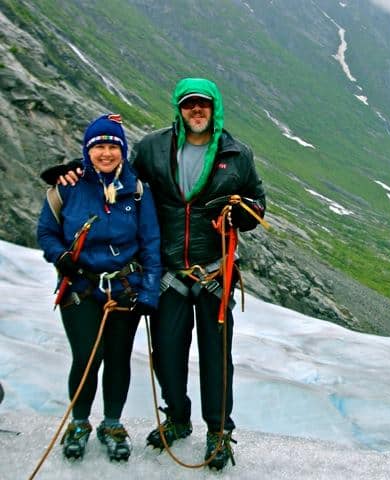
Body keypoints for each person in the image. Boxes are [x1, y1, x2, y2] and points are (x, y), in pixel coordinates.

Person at [44, 78, 266, 470]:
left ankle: (218, 433)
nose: (196, 111)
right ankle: (177, 419)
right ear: (178, 109)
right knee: (167, 353)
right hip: (168, 273)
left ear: (215, 108)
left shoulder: (237, 154)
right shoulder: (152, 147)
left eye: (203, 105)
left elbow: (258, 203)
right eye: (188, 105)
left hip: (214, 272)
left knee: (217, 357)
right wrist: (74, 171)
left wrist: (243, 212)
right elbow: (114, 174)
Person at [36, 114, 161, 461]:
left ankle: (111, 422)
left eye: (112, 146)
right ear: (87, 151)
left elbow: (150, 242)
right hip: (81, 288)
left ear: (122, 150)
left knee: (118, 358)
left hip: (124, 289)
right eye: (98, 147)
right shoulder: (68, 187)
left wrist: (149, 292)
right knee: (88, 357)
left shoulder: (137, 190)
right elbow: (46, 231)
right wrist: (59, 256)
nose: (106, 153)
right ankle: (79, 422)